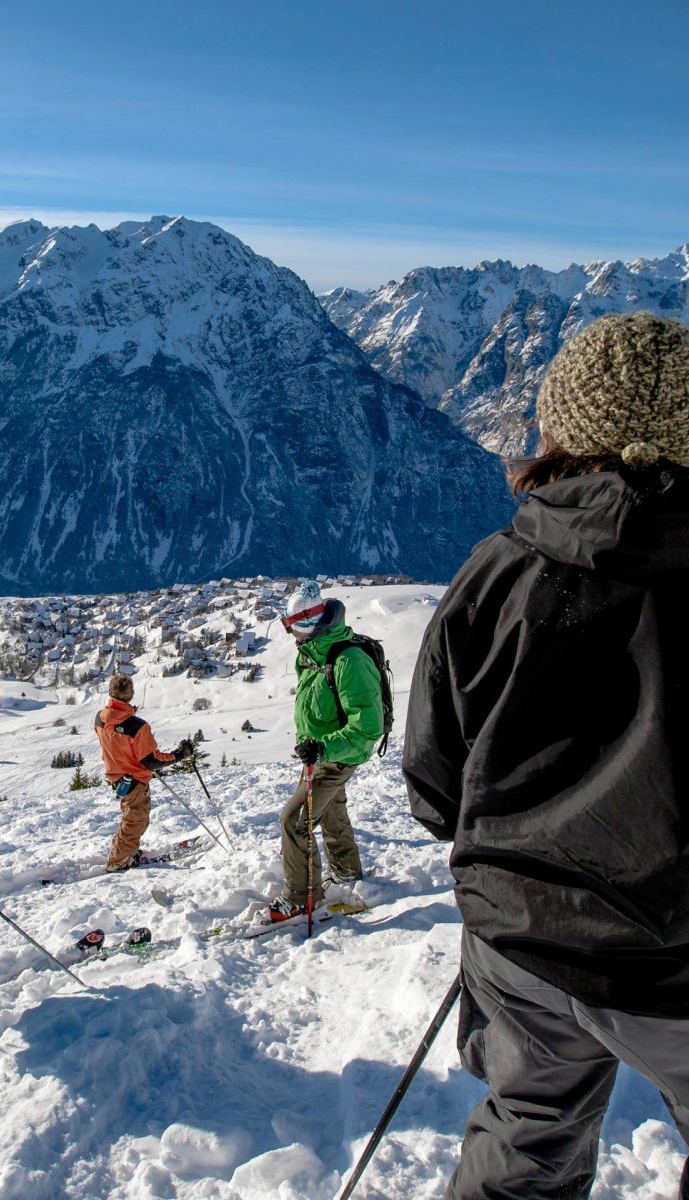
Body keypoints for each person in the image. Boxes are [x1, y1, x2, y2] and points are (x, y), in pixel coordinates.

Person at [402, 312, 689, 1199]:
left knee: (526, 1137)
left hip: (516, 934)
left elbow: (434, 775)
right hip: (668, 958)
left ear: (561, 430)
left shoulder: (497, 567)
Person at [271, 581, 383, 922]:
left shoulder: (348, 660)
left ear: (305, 624)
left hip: (336, 755)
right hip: (319, 752)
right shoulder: (313, 652)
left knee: (294, 820)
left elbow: (368, 727)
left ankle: (302, 896)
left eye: (290, 625)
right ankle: (346, 871)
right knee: (332, 808)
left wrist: (323, 747)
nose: (288, 632)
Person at [94, 673, 193, 872]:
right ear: (130, 694)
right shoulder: (137, 726)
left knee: (132, 816)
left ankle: (126, 850)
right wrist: (179, 755)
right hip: (134, 779)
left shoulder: (101, 718)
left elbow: (114, 744)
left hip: (116, 775)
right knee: (135, 820)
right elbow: (151, 760)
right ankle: (119, 860)